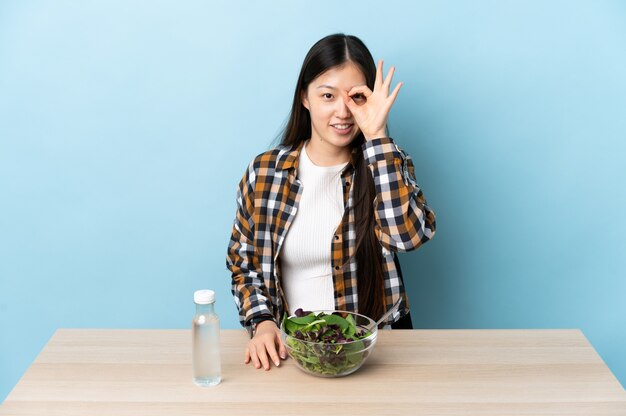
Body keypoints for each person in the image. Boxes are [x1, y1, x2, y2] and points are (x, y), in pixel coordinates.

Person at [226, 33, 436, 371]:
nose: (343, 112)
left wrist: (377, 138)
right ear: (305, 98)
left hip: (376, 352)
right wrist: (262, 322)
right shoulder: (265, 173)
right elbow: (244, 263)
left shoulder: (385, 163)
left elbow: (408, 237)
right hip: (293, 353)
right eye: (328, 96)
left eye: (355, 97)